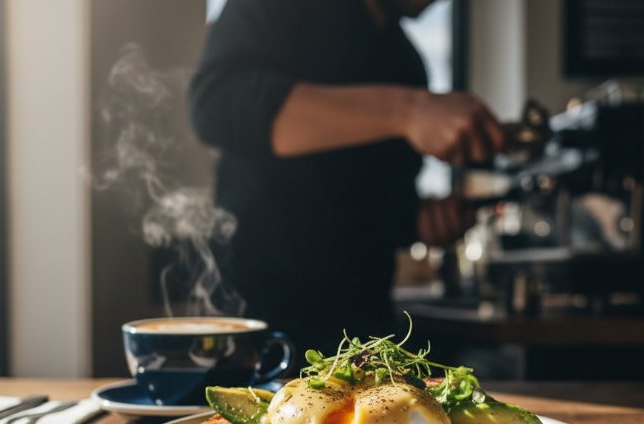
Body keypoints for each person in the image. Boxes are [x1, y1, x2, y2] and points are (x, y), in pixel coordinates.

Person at [190, 0, 506, 353]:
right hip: (262, 312)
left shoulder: (404, 60)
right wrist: (409, 110)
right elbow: (215, 104)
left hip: (363, 326)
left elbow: (375, 203)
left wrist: (420, 220)